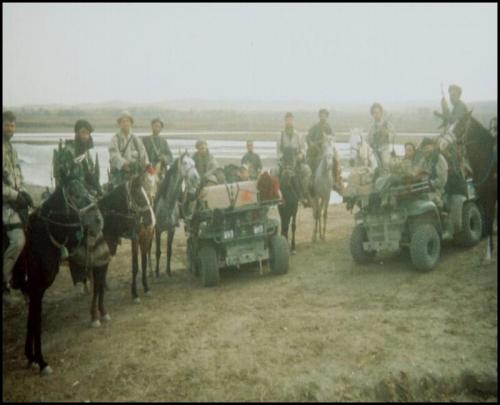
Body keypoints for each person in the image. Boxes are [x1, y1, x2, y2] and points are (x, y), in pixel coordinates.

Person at [3, 111, 33, 304]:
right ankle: (4, 282)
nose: (10, 129)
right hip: (5, 203)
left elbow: (18, 175)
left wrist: (23, 192)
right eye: (7, 125)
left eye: (12, 126)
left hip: (14, 201)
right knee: (18, 240)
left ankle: (22, 280)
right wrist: (15, 196)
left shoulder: (11, 148)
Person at [54, 119, 102, 196]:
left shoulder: (86, 153)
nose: (85, 136)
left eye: (87, 133)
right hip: (71, 190)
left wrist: (97, 188)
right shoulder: (69, 151)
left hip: (84, 188)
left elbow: (89, 174)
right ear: (77, 133)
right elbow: (64, 178)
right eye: (83, 132)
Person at [277, 112, 312, 206]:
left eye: (290, 120)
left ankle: (303, 194)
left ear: (293, 121)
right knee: (274, 171)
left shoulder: (298, 135)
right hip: (284, 161)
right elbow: (278, 150)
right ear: (285, 121)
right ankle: (276, 195)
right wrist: (282, 158)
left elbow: (304, 148)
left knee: (307, 170)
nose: (289, 122)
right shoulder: (280, 135)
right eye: (287, 120)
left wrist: (301, 155)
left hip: (296, 161)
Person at [108, 111, 149, 186]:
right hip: (120, 174)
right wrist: (124, 163)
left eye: (127, 121)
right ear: (119, 124)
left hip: (136, 174)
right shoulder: (115, 139)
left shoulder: (136, 139)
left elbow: (143, 154)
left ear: (131, 123)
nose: (125, 123)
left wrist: (146, 164)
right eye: (123, 121)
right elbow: (113, 155)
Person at [414, 137, 449, 209]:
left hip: (437, 191)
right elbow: (417, 171)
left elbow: (442, 180)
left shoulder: (439, 158)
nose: (424, 152)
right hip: (424, 189)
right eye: (423, 150)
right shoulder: (424, 160)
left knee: (425, 200)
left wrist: (429, 183)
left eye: (426, 149)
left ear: (432, 147)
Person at [366, 103, 396, 170]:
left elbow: (393, 135)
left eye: (377, 112)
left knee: (386, 163)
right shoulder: (371, 127)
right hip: (374, 150)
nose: (376, 115)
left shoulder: (387, 124)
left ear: (381, 113)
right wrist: (372, 143)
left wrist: (386, 134)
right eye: (374, 113)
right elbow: (368, 139)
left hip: (384, 148)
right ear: (372, 114)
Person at [306, 108, 334, 175]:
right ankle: (312, 178)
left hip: (326, 149)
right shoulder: (315, 127)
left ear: (327, 117)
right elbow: (308, 137)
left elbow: (332, 137)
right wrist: (311, 143)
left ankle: (336, 180)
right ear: (319, 116)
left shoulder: (329, 127)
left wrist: (329, 141)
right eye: (321, 116)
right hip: (316, 150)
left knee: (335, 160)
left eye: (325, 116)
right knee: (311, 161)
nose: (323, 117)